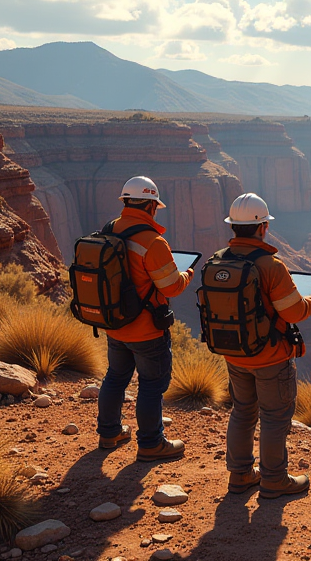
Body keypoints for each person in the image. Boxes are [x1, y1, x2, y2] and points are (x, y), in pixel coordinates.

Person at [216, 193, 311, 498]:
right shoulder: (270, 265)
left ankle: (240, 476)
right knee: (274, 418)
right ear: (262, 227)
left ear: (234, 227)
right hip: (270, 356)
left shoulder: (221, 258)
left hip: (234, 353)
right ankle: (274, 479)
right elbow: (294, 312)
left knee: (242, 411)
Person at [97, 176, 193, 462]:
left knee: (115, 377)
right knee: (152, 385)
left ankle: (109, 433)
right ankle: (151, 443)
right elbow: (171, 287)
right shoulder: (153, 242)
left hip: (115, 325)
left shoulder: (108, 229)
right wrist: (186, 274)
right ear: (152, 206)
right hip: (147, 330)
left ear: (126, 202)